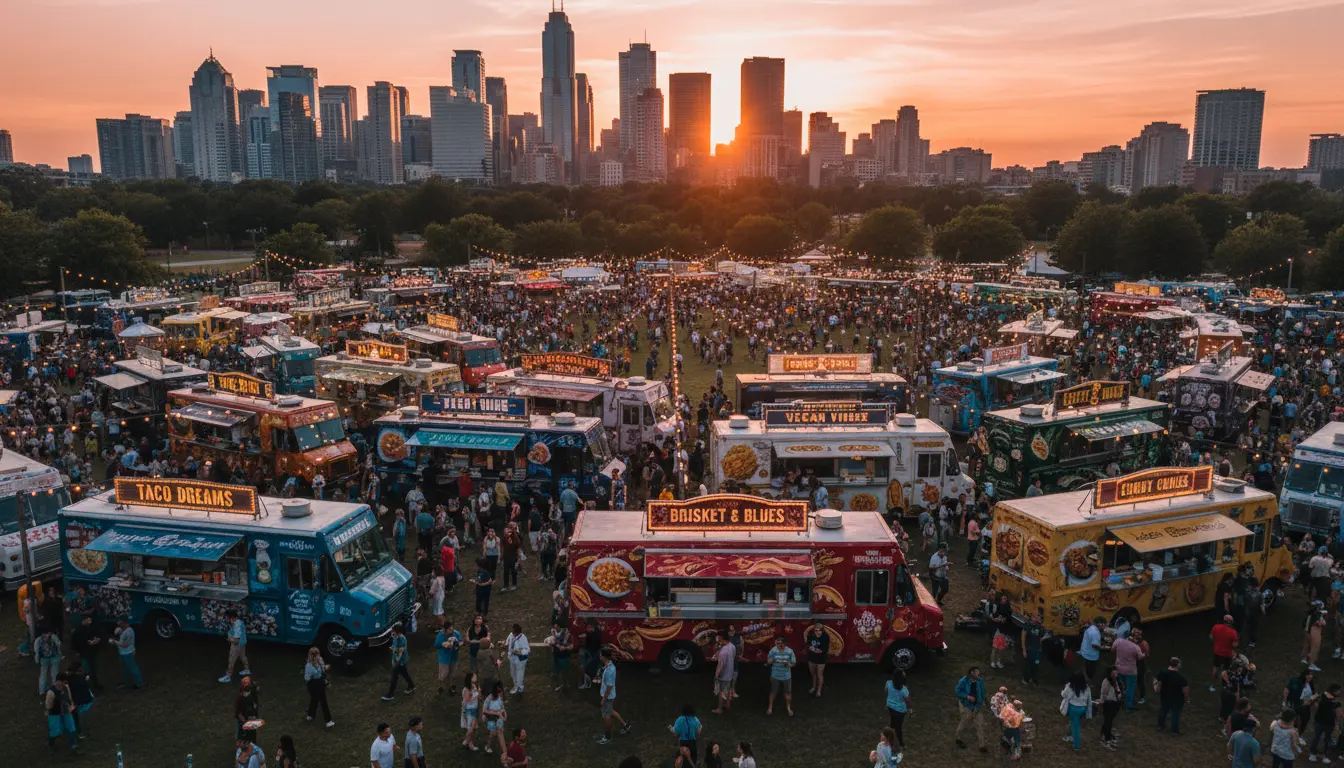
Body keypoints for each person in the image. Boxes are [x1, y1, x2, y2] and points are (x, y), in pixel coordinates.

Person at [598, 648, 633, 745]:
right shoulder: (609, 666)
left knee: (606, 716)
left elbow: (609, 687)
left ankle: (608, 737)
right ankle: (625, 725)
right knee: (611, 711)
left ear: (603, 656)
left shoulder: (609, 670)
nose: (599, 656)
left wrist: (603, 699)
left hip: (608, 696)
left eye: (600, 655)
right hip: (611, 695)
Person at [955, 665, 988, 753]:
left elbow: (983, 692)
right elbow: (958, 691)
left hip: (977, 705)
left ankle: (982, 746)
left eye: (978, 672)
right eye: (977, 672)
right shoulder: (964, 681)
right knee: (965, 721)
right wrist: (967, 697)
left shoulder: (980, 681)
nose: (978, 673)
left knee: (979, 724)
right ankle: (958, 738)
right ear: (972, 673)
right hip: (966, 705)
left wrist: (984, 701)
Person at [45, 674, 79, 754]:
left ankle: (73, 746)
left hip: (66, 711)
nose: (63, 684)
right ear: (58, 681)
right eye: (62, 682)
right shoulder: (51, 692)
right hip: (55, 713)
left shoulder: (66, 688)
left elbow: (69, 698)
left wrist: (71, 705)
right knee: (55, 730)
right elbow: (48, 706)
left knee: (71, 728)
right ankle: (51, 744)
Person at [1156, 656, 1191, 735]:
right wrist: (1187, 699)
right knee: (1175, 714)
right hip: (1177, 699)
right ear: (1178, 665)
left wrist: (1158, 689)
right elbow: (1185, 690)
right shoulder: (1181, 678)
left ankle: (1160, 725)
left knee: (1163, 710)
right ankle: (1174, 731)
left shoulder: (1162, 672)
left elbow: (1158, 682)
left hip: (1165, 695)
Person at [381, 622, 415, 701]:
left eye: (394, 631)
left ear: (398, 632)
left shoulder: (400, 639)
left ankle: (390, 694)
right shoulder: (398, 637)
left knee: (394, 677)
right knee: (404, 673)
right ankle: (411, 686)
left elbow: (400, 651)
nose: (392, 632)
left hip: (399, 662)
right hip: (400, 661)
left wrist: (396, 658)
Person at [1113, 630, 1145, 710]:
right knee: (1130, 688)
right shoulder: (1135, 647)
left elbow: (1112, 649)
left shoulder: (1118, 641)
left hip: (1119, 668)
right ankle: (1128, 706)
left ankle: (1119, 700)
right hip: (1131, 671)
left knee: (1119, 686)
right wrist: (1144, 653)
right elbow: (1140, 657)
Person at [1061, 672, 1093, 751]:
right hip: (1083, 709)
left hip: (1073, 709)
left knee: (1076, 727)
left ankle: (1076, 745)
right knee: (1075, 723)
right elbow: (1089, 700)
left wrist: (1063, 690)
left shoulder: (1070, 686)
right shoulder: (1087, 687)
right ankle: (1069, 735)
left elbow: (1064, 695)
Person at [1309, 682, 1341, 763]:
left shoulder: (1335, 701)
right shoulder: (1324, 695)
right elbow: (1338, 715)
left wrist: (1336, 724)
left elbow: (1338, 714)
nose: (1339, 692)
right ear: (1334, 690)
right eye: (1338, 690)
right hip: (1321, 721)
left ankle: (1323, 755)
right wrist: (1317, 708)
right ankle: (1313, 753)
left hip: (1328, 723)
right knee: (1319, 738)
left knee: (1325, 739)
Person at [303, 646, 334, 727]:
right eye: (318, 654)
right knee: (323, 701)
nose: (319, 656)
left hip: (318, 682)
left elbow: (322, 670)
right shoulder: (309, 666)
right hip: (314, 684)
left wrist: (325, 667)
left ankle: (310, 715)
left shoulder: (319, 661)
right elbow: (307, 677)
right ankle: (328, 721)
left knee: (314, 699)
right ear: (314, 655)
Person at [219, 608, 252, 684]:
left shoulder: (237, 625)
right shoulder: (239, 622)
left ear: (231, 617)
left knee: (231, 660)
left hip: (236, 645)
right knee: (243, 656)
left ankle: (228, 676)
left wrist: (229, 638)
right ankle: (247, 669)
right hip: (243, 643)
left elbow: (236, 640)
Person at [766, 636, 796, 716]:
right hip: (775, 675)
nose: (779, 645)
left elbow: (793, 662)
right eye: (777, 643)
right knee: (773, 692)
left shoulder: (789, 651)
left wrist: (789, 665)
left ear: (784, 643)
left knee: (787, 693)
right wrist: (770, 661)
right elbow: (768, 661)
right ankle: (770, 707)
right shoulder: (773, 650)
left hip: (786, 676)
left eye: (780, 643)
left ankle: (788, 707)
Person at [1211, 615, 1240, 692]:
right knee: (1225, 670)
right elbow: (1235, 645)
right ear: (1231, 622)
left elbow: (1211, 637)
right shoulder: (1233, 632)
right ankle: (1225, 686)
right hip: (1227, 654)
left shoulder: (1215, 627)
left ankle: (1212, 686)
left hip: (1217, 652)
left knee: (1215, 668)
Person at [884, 669, 909, 753]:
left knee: (893, 722)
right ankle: (901, 744)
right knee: (898, 728)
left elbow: (886, 691)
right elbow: (907, 700)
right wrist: (910, 709)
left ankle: (889, 736)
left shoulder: (888, 683)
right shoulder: (904, 690)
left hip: (890, 706)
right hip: (900, 710)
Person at [435, 619, 463, 695]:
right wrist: (443, 644)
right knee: (444, 674)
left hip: (454, 657)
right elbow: (436, 645)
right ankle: (442, 687)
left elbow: (461, 641)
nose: (452, 631)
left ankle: (450, 687)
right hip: (444, 658)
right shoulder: (440, 635)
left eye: (452, 629)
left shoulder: (456, 633)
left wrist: (456, 645)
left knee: (452, 673)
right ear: (445, 630)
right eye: (450, 630)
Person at [114, 618, 143, 690]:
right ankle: (125, 682)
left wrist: (114, 642)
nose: (118, 624)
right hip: (124, 653)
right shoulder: (125, 630)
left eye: (120, 623)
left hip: (128, 653)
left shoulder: (128, 632)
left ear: (125, 623)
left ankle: (140, 683)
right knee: (126, 668)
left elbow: (125, 644)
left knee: (133, 668)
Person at [1097, 666, 1122, 749]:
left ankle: (1104, 735)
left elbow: (1119, 690)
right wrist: (1102, 702)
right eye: (1113, 673)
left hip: (1116, 703)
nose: (1115, 674)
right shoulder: (1106, 681)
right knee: (1108, 721)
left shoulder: (1118, 681)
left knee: (1110, 721)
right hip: (1108, 703)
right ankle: (1106, 739)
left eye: (1116, 672)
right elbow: (1103, 693)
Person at [712, 634, 737, 714]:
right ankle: (728, 705)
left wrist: (716, 674)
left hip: (724, 675)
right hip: (730, 672)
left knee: (721, 692)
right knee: (728, 689)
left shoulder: (723, 652)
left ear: (722, 639)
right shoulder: (732, 646)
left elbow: (721, 665)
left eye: (719, 638)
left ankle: (719, 709)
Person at [482, 681, 508, 755]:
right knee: (492, 734)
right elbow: (484, 710)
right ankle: (488, 745)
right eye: (499, 691)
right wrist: (495, 713)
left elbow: (502, 706)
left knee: (500, 733)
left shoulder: (501, 696)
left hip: (499, 718)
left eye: (501, 690)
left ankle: (505, 753)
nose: (500, 692)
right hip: (491, 718)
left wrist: (504, 713)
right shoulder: (489, 698)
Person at [1021, 612, 1047, 685]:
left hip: (1037, 651)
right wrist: (1024, 650)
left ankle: (1034, 678)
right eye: (1037, 616)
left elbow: (1041, 638)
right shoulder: (1027, 625)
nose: (1038, 617)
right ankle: (1026, 679)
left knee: (1036, 664)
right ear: (1032, 617)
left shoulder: (1040, 627)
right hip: (1029, 649)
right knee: (1028, 665)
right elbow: (1023, 638)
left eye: (1040, 616)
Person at [804, 621, 829, 697]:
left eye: (819, 630)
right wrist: (810, 647)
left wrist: (820, 651)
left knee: (819, 675)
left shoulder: (825, 636)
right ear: (814, 630)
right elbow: (807, 644)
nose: (818, 632)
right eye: (816, 630)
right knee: (813, 674)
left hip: (821, 659)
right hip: (811, 658)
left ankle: (819, 690)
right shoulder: (810, 635)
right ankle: (814, 687)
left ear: (822, 630)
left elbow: (825, 648)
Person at [35, 626, 62, 695]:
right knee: (54, 674)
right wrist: (60, 655)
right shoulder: (54, 637)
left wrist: (37, 660)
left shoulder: (38, 639)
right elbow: (58, 645)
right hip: (54, 657)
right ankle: (55, 689)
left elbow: (36, 650)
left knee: (43, 675)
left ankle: (42, 691)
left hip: (44, 658)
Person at [234, 676, 261, 743]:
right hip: (243, 718)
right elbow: (238, 712)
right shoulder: (240, 698)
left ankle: (252, 744)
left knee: (252, 735)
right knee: (242, 736)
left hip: (251, 716)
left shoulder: (252, 693)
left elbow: (257, 689)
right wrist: (245, 721)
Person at [506, 622, 531, 694]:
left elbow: (527, 650)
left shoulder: (523, 638)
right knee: (513, 673)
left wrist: (519, 652)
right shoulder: (511, 635)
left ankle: (520, 688)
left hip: (520, 660)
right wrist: (505, 645)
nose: (512, 633)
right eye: (512, 631)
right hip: (512, 658)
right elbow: (508, 642)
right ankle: (515, 685)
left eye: (514, 632)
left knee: (519, 674)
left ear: (518, 633)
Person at [460, 671, 482, 751]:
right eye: (474, 677)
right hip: (469, 710)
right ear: (470, 679)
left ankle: (470, 742)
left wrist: (479, 694)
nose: (476, 678)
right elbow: (467, 700)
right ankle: (466, 741)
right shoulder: (466, 689)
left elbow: (479, 697)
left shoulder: (475, 686)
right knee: (471, 728)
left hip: (475, 709)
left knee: (474, 728)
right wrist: (476, 696)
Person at [548, 621, 573, 691]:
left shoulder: (566, 633)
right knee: (559, 671)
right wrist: (555, 644)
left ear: (559, 626)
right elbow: (553, 642)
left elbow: (570, 645)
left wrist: (564, 647)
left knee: (564, 671)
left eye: (555, 626)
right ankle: (563, 684)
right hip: (556, 655)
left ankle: (565, 685)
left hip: (563, 656)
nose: (554, 627)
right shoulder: (555, 632)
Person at [1080, 616, 1105, 682]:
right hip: (1090, 655)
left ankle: (1085, 676)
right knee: (1091, 671)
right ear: (1100, 624)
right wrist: (1104, 648)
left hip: (1085, 651)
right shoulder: (1095, 633)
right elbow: (1094, 645)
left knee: (1087, 667)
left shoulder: (1092, 627)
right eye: (1105, 625)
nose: (1105, 627)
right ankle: (1087, 682)